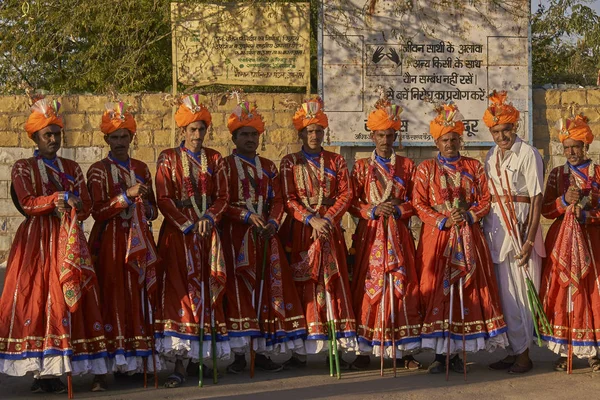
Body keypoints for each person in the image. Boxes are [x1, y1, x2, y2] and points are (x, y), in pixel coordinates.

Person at [0, 96, 108, 393]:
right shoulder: (22, 168)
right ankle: (41, 373)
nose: (53, 139)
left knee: (66, 298)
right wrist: (58, 198)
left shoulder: (72, 167)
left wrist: (72, 207)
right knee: (39, 300)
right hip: (37, 243)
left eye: (57, 134)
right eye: (47, 134)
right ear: (34, 136)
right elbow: (27, 203)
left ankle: (59, 369)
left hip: (68, 241)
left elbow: (85, 206)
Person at [413, 102, 508, 374]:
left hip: (468, 236)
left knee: (467, 292)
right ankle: (442, 355)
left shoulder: (474, 167)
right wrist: (442, 219)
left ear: (460, 139)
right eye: (445, 139)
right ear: (436, 141)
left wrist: (468, 216)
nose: (450, 143)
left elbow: (486, 199)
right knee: (439, 291)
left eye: (455, 138)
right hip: (438, 237)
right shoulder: (426, 169)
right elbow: (419, 204)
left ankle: (460, 352)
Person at [221, 97, 307, 374]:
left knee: (266, 291)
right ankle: (238, 356)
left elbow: (279, 200)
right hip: (236, 237)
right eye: (244, 134)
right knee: (239, 291)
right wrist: (245, 216)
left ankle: (263, 352)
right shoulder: (224, 166)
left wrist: (272, 221)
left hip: (266, 237)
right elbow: (221, 201)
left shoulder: (269, 166)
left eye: (254, 134)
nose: (250, 138)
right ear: (234, 137)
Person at [154, 95, 230, 387]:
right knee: (179, 294)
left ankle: (202, 357)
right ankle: (178, 363)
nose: (197, 135)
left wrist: (209, 218)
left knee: (207, 292)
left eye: (202, 129)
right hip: (179, 235)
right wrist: (188, 224)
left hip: (208, 235)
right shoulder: (167, 158)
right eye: (192, 130)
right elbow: (163, 198)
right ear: (182, 131)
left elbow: (223, 196)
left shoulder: (215, 159)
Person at [86, 102, 160, 390]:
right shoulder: (97, 170)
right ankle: (103, 369)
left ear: (132, 139)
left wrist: (148, 209)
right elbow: (98, 212)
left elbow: (153, 207)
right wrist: (127, 197)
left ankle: (134, 362)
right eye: (114, 137)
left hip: (140, 241)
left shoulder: (141, 168)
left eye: (124, 137)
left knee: (138, 297)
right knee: (111, 297)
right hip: (111, 243)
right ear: (106, 140)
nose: (119, 142)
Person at [279, 97, 357, 368]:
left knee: (333, 283)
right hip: (303, 231)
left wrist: (328, 218)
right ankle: (302, 350)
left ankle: (335, 347)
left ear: (325, 133)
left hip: (330, 230)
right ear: (300, 134)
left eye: (318, 131)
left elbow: (347, 194)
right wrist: (311, 219)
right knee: (305, 284)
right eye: (309, 131)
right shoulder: (290, 162)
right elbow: (288, 198)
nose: (314, 135)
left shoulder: (336, 161)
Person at [349, 97, 421, 370]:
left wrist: (399, 209)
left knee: (402, 290)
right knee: (368, 289)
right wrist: (371, 210)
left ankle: (405, 352)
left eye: (390, 135)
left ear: (396, 136)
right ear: (372, 136)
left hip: (399, 236)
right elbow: (351, 203)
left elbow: (418, 202)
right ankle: (365, 350)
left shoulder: (407, 167)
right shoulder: (359, 167)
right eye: (381, 135)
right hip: (369, 236)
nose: (385, 140)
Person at [482, 91, 545, 374]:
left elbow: (537, 198)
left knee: (522, 294)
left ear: (515, 128)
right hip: (496, 232)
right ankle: (512, 349)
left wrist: (530, 238)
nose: (501, 136)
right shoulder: (491, 155)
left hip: (521, 232)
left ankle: (525, 355)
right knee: (504, 295)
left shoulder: (529, 154)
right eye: (496, 131)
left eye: (505, 130)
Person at [539, 112, 600, 372]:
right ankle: (566, 350)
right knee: (564, 293)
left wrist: (586, 215)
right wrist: (564, 202)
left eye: (575, 146)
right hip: (562, 242)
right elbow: (546, 210)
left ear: (585, 146)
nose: (571, 152)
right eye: (566, 148)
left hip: (593, 241)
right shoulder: (556, 174)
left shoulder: (598, 173)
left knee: (592, 293)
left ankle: (595, 352)